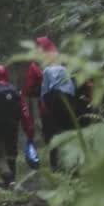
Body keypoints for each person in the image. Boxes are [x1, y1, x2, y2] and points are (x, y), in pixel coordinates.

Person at [22, 36, 91, 170]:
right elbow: (80, 79)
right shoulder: (63, 59)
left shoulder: (35, 65)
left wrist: (42, 90)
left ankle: (57, 169)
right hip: (70, 104)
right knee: (69, 133)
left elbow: (29, 89)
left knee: (53, 138)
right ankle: (73, 168)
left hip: (48, 108)